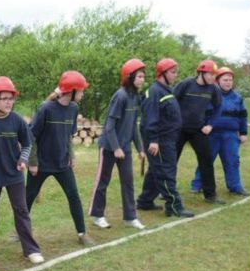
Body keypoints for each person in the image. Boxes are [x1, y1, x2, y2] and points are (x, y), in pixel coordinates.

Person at [0, 77, 44, 263]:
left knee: (21, 211)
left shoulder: (17, 121)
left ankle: (31, 250)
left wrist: (23, 159)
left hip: (14, 175)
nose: (8, 102)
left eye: (11, 98)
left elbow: (27, 143)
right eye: (4, 98)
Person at [26, 71, 92, 244]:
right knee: (27, 198)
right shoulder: (46, 108)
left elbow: (69, 135)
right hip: (40, 164)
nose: (83, 94)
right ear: (72, 91)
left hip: (62, 164)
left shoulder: (74, 109)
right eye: (82, 90)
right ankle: (20, 232)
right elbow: (31, 136)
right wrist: (32, 162)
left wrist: (71, 155)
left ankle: (82, 234)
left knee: (74, 196)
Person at [89, 59, 146, 229]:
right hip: (108, 147)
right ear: (129, 77)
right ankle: (97, 215)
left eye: (144, 76)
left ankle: (130, 217)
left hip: (125, 149)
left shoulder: (136, 97)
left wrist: (140, 148)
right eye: (140, 76)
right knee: (103, 181)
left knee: (128, 182)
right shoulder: (120, 96)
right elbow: (109, 126)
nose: (143, 79)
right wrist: (116, 148)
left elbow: (134, 125)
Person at [137, 58, 193, 218]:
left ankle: (145, 201)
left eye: (176, 72)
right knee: (166, 171)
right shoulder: (154, 92)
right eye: (173, 72)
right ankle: (174, 206)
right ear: (162, 73)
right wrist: (154, 140)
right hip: (160, 140)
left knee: (156, 170)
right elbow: (150, 119)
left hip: (168, 139)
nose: (176, 75)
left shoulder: (166, 90)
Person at [192, 65, 248, 196]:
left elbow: (243, 116)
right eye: (225, 80)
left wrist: (243, 133)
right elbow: (201, 113)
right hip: (212, 134)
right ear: (217, 81)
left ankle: (235, 187)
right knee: (206, 160)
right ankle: (197, 185)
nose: (228, 82)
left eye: (230, 80)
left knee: (232, 161)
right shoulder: (209, 95)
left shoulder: (238, 98)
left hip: (230, 136)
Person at [174, 60, 223, 203]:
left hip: (198, 130)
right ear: (201, 72)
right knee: (171, 160)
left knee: (206, 161)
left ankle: (210, 195)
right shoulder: (186, 84)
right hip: (179, 129)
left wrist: (211, 125)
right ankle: (163, 191)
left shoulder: (213, 89)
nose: (213, 77)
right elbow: (171, 101)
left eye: (214, 74)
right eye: (211, 74)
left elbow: (219, 108)